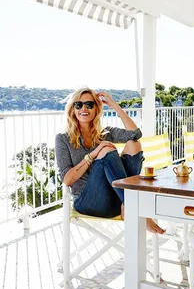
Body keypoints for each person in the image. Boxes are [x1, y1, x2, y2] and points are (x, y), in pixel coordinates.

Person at [55, 87, 165, 234]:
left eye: (89, 104)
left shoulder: (105, 133)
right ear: (73, 109)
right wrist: (94, 154)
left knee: (134, 144)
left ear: (96, 109)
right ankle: (134, 206)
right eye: (78, 105)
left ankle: (128, 203)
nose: (83, 108)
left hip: (114, 201)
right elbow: (67, 180)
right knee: (106, 150)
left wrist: (113, 104)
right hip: (87, 202)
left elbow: (136, 134)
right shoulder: (63, 139)